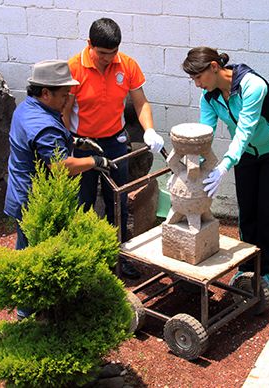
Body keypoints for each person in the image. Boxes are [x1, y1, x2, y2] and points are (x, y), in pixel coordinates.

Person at [4, 60, 115, 319]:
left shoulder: (27, 109)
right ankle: (28, 312)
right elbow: (60, 166)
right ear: (45, 93)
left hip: (23, 193)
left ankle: (38, 307)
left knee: (28, 249)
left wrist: (75, 140)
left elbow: (47, 142)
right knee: (33, 255)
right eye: (64, 95)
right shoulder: (42, 125)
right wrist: (95, 162)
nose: (68, 100)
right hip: (34, 200)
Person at [182, 47, 269, 296]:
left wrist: (224, 165)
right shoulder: (209, 97)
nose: (197, 84)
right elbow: (204, 135)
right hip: (245, 156)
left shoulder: (253, 86)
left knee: (266, 211)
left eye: (198, 78)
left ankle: (264, 273)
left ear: (213, 66)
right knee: (247, 210)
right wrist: (195, 166)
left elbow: (245, 131)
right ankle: (245, 268)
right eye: (193, 80)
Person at [63, 18, 164, 279]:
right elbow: (63, 112)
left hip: (114, 142)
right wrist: (66, 146)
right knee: (81, 203)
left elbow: (140, 103)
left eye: (113, 53)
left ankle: (118, 256)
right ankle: (83, 260)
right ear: (89, 45)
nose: (108, 59)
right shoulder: (74, 68)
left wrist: (149, 129)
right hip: (82, 143)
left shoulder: (127, 65)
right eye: (103, 53)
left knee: (117, 202)